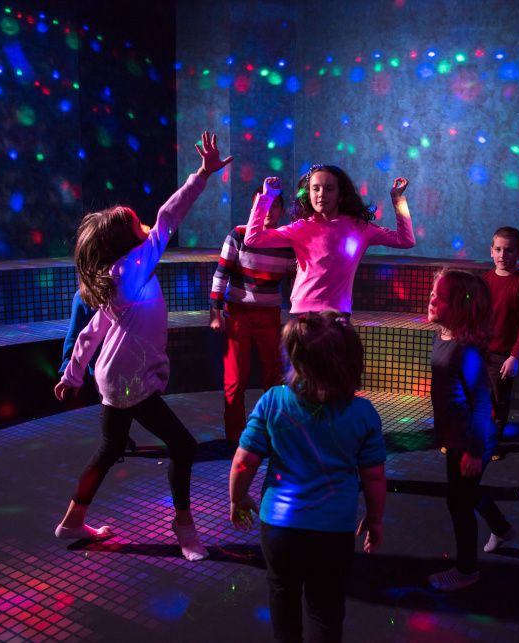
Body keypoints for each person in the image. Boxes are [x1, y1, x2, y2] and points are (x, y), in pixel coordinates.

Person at [53, 131, 232, 562]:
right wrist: (202, 175)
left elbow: (90, 330)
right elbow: (170, 215)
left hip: (112, 376)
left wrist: (72, 374)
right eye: (137, 222)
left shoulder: (122, 274)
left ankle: (72, 520)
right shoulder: (134, 267)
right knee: (185, 446)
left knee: (110, 447)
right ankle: (184, 527)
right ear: (130, 243)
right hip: (128, 381)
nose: (146, 222)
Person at [228, 312, 387, 642]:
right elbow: (373, 477)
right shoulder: (363, 413)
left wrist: (238, 499)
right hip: (334, 531)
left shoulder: (272, 402)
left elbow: (244, 463)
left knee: (283, 598)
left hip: (280, 529)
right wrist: (375, 519)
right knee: (325, 611)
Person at [426, 268, 514, 591]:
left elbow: (481, 404)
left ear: (461, 308)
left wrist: (475, 452)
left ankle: (467, 570)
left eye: (440, 296)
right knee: (468, 492)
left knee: (458, 501)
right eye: (433, 292)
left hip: (471, 439)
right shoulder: (444, 336)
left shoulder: (467, 352)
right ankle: (502, 528)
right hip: (458, 437)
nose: (431, 298)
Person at [243, 167, 414, 314]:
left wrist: (398, 200)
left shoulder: (359, 228)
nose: (321, 194)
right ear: (308, 194)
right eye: (315, 189)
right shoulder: (300, 228)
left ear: (340, 195)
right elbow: (252, 239)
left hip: (338, 314)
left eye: (329, 189)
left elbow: (405, 240)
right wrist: (266, 198)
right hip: (303, 315)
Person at [209, 182, 296, 443]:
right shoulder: (237, 234)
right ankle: (235, 439)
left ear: (282, 211)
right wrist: (214, 311)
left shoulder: (286, 243)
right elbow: (221, 273)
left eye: (275, 205)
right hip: (237, 314)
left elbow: (294, 279)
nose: (269, 210)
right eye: (264, 203)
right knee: (235, 381)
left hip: (269, 315)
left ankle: (272, 432)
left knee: (274, 374)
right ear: (255, 207)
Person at [481, 226, 519, 460]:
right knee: (477, 399)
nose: (503, 255)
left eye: (509, 250)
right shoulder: (484, 280)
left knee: (498, 402)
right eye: (498, 249)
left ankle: (493, 443)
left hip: (502, 357)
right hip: (479, 352)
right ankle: (474, 439)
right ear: (491, 251)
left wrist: (515, 356)